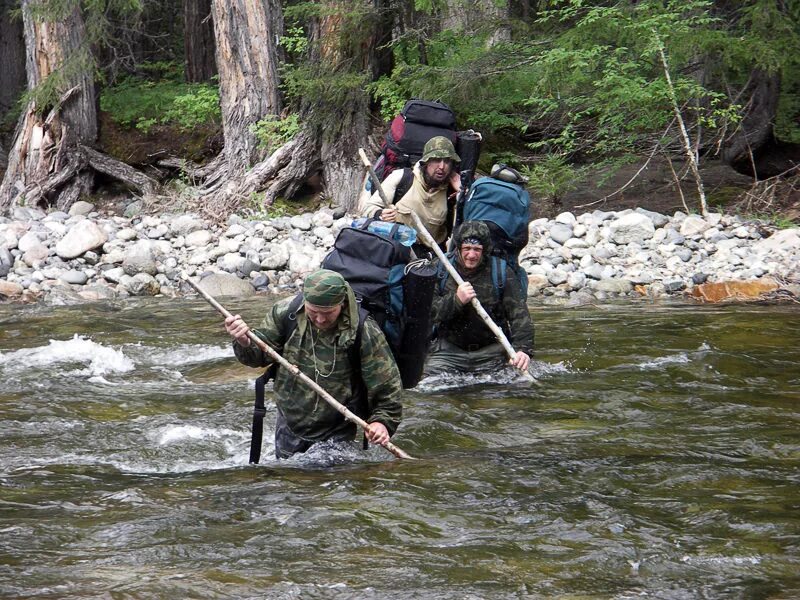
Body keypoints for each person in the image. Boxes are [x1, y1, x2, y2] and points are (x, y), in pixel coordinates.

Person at [224, 269, 403, 459]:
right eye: (313, 311)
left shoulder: (363, 331)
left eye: (328, 313)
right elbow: (258, 358)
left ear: (341, 304)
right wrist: (244, 341)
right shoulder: (286, 313)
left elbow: (387, 384)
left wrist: (382, 422)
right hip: (290, 420)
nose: (320, 319)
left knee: (331, 483)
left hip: (337, 427)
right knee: (291, 482)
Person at [425, 221, 534, 376]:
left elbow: (519, 316)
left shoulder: (501, 272)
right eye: (467, 248)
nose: (472, 255)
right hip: (448, 353)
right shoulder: (440, 268)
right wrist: (456, 300)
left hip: (492, 352)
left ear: (485, 250)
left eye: (477, 249)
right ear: (458, 248)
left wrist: (523, 349)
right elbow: (428, 314)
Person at [360, 136, 461, 253]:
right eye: (436, 160)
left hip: (429, 256)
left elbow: (461, 230)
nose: (442, 167)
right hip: (392, 246)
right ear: (426, 162)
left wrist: (462, 193)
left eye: (447, 161)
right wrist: (380, 214)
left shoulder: (452, 193)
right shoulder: (401, 177)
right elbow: (367, 208)